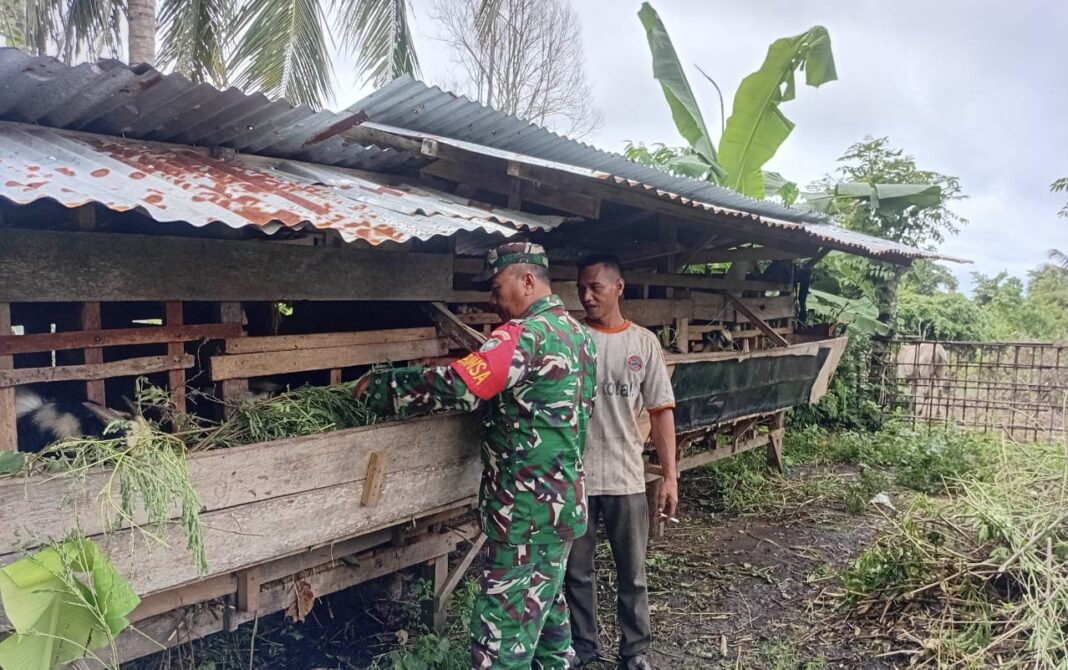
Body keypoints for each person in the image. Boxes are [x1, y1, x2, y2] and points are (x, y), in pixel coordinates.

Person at [355, 242, 597, 670]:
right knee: (549, 637)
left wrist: (383, 387)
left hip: (523, 517)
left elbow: (464, 384)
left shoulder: (525, 336)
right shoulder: (578, 336)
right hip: (561, 512)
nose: (492, 300)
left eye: (497, 286)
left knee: (499, 650)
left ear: (527, 280)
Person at [565, 254, 678, 670]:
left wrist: (670, 477)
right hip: (576, 478)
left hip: (626, 476)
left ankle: (634, 652)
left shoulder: (643, 344)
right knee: (576, 572)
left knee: (632, 573)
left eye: (595, 287)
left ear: (619, 288)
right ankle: (584, 648)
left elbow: (661, 411)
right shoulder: (573, 339)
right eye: (581, 287)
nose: (587, 295)